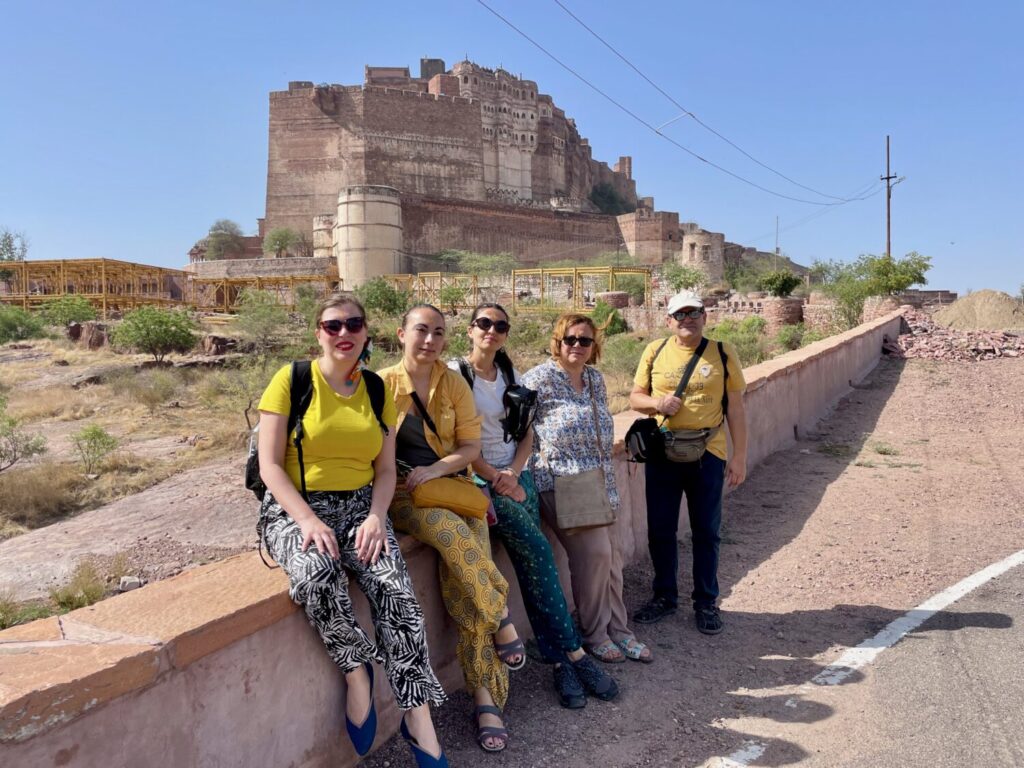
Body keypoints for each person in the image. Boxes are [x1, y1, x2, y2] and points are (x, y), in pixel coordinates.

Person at [256, 294, 447, 767]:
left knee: (396, 594)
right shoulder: (293, 379)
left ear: (366, 332)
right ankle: (356, 667)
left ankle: (417, 714)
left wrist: (377, 517)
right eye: (332, 325)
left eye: (353, 324)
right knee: (318, 573)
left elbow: (385, 471)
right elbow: (268, 466)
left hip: (362, 506)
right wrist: (306, 518)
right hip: (296, 508)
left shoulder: (377, 391)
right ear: (318, 332)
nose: (344, 334)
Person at [451, 303, 619, 710]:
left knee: (532, 568)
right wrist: (496, 477)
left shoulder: (509, 373)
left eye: (500, 326)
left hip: (516, 476)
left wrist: (515, 471)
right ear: (470, 330)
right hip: (481, 480)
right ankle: (574, 654)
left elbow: (527, 432)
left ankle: (559, 661)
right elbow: (458, 440)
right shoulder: (456, 375)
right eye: (484, 324)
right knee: (540, 553)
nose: (492, 331)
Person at [379, 303, 524, 754]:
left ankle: (486, 698)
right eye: (421, 331)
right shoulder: (381, 385)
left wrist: (439, 469)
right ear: (402, 333)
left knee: (463, 582)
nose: (429, 340)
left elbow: (470, 447)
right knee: (452, 535)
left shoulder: (453, 382)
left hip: (455, 486)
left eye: (438, 333)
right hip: (406, 492)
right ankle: (500, 612)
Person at [523, 313, 653, 667]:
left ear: (595, 346)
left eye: (585, 340)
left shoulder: (595, 380)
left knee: (612, 558)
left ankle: (620, 632)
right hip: (560, 479)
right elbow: (518, 431)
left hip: (598, 479)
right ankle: (594, 634)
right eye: (571, 339)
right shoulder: (539, 379)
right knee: (594, 554)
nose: (577, 346)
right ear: (558, 341)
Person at [628, 290, 748, 635]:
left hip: (708, 452)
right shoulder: (655, 351)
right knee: (661, 529)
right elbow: (635, 397)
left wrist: (738, 456)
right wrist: (657, 404)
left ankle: (706, 601)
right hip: (664, 452)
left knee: (706, 531)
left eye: (693, 313)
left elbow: (736, 408)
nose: (687, 320)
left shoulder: (722, 352)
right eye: (680, 315)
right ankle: (665, 596)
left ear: (704, 317)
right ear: (669, 321)